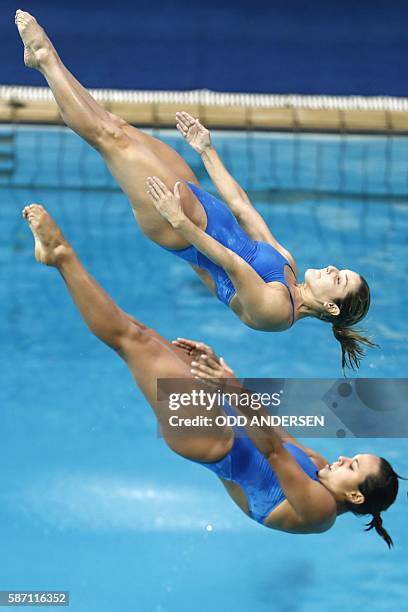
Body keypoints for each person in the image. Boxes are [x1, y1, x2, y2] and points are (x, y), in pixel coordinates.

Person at [15, 10, 376, 371]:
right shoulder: (289, 268)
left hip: (182, 227)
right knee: (115, 128)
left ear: (331, 307)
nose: (332, 268)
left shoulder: (277, 313)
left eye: (339, 278)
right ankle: (44, 63)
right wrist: (206, 149)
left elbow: (229, 262)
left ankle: (45, 56)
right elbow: (243, 208)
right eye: (340, 269)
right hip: (199, 202)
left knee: (108, 139)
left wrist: (178, 220)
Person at [22, 203, 399, 545]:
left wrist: (231, 388)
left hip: (214, 442)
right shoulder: (318, 467)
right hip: (226, 417)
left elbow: (270, 450)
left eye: (352, 466)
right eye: (352, 456)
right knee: (145, 336)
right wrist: (221, 377)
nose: (343, 459)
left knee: (131, 339)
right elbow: (271, 429)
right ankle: (57, 257)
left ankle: (61, 256)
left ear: (356, 496)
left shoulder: (320, 512)